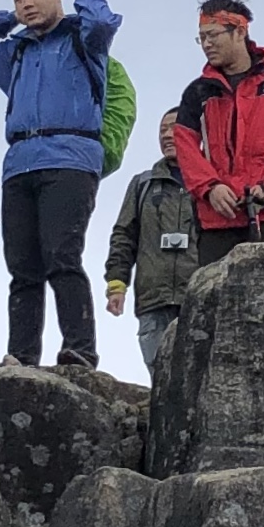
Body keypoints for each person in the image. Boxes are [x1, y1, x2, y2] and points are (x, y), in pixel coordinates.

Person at [0, 0, 123, 376]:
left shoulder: (84, 39)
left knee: (62, 256)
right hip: (20, 162)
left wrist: (79, 1)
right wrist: (10, 18)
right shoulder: (16, 51)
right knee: (22, 267)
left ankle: (79, 351)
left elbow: (104, 21)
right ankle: (21, 356)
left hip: (71, 157)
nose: (27, 2)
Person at [169, 0, 264, 264]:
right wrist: (210, 187)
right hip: (215, 222)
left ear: (240, 31)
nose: (206, 44)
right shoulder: (197, 92)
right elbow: (185, 146)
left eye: (213, 35)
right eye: (201, 38)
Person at [105, 111, 202, 373]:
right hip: (153, 300)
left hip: (199, 297)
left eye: (174, 129)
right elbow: (123, 236)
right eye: (162, 130)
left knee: (199, 378)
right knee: (162, 379)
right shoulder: (143, 185)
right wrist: (116, 285)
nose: (167, 136)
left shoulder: (211, 184)